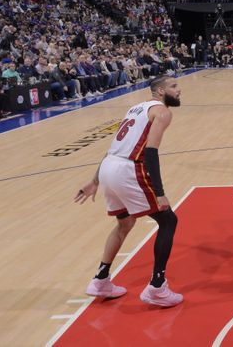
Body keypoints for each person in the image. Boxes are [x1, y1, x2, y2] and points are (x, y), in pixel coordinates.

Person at [74, 76, 183, 307]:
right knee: (168, 220)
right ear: (161, 90)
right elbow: (151, 153)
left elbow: (114, 146)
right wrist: (160, 192)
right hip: (128, 169)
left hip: (109, 166)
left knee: (124, 224)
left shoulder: (136, 108)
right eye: (174, 86)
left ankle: (101, 280)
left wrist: (95, 180)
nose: (179, 90)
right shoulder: (162, 112)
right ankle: (157, 286)